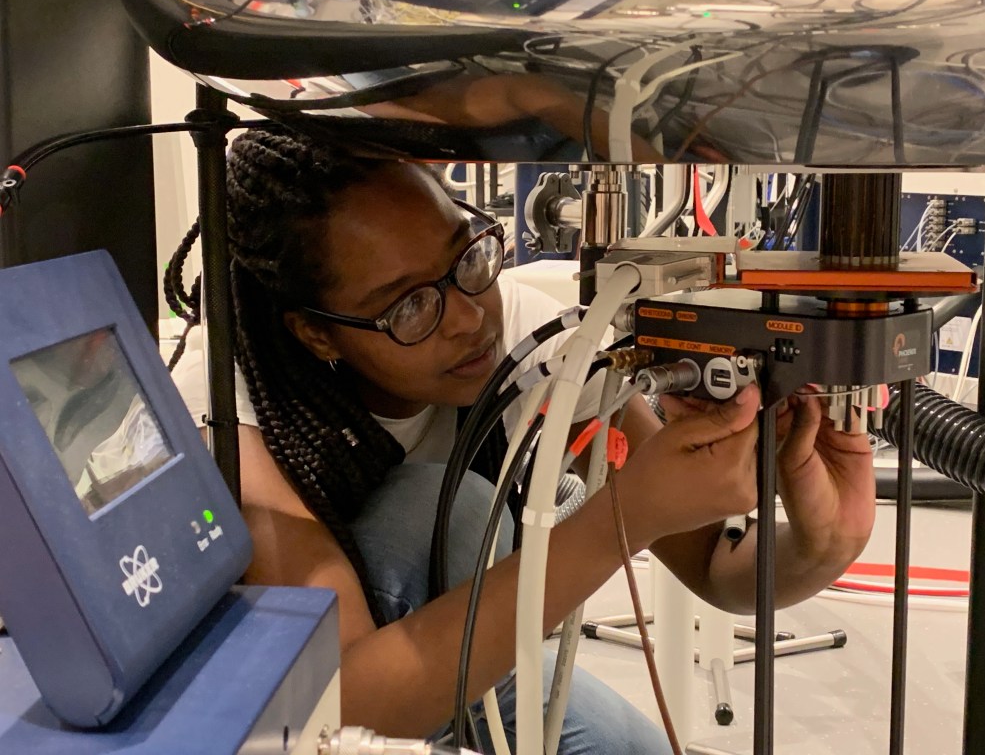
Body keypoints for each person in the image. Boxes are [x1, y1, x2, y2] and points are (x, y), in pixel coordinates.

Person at [170, 127, 875, 753]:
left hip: (478, 665)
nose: (469, 317)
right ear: (315, 330)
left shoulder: (530, 350)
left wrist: (822, 543)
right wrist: (624, 516)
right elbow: (340, 706)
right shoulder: (233, 420)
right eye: (409, 304)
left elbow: (715, 568)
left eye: (469, 258)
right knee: (437, 515)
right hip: (294, 721)